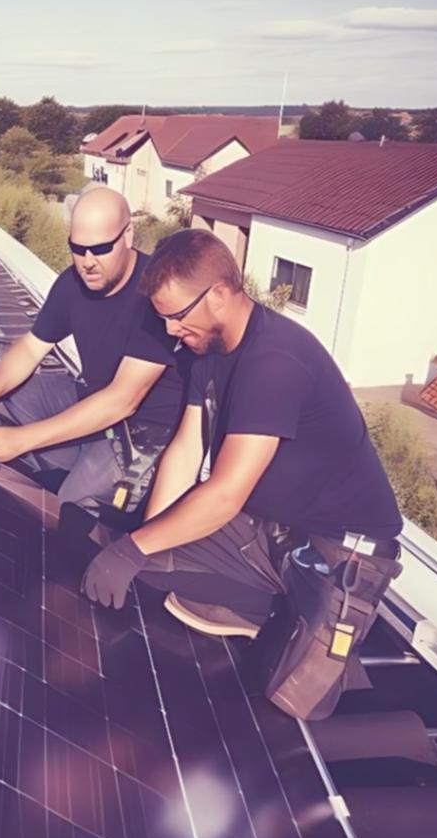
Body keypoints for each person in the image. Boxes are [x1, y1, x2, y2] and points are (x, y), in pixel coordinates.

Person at [80, 228, 402, 636]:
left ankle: (263, 608)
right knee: (125, 548)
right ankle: (248, 596)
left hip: (335, 553)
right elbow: (186, 450)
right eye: (164, 319)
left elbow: (227, 493)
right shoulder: (208, 351)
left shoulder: (273, 362)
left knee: (293, 689)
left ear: (218, 294)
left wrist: (134, 551)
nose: (170, 330)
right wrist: (142, 545)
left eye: (177, 316)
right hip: (268, 529)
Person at [0, 187, 184, 512]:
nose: (87, 262)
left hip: (138, 432)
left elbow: (122, 401)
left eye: (100, 248)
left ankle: (80, 475)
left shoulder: (155, 295)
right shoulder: (72, 284)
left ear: (128, 235)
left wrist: (24, 439)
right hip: (92, 398)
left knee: (66, 507)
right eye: (78, 248)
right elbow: (31, 348)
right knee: (14, 393)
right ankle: (68, 454)